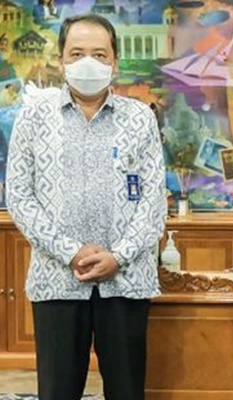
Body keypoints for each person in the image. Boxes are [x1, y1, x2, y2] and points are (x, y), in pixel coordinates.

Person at [5, 14, 166, 400]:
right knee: (58, 391)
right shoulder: (33, 118)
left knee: (127, 390)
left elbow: (153, 200)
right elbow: (20, 196)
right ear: (61, 60)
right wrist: (71, 251)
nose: (88, 63)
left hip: (126, 281)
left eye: (99, 54)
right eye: (77, 54)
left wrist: (119, 256)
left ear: (115, 62)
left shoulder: (140, 118)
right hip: (57, 281)